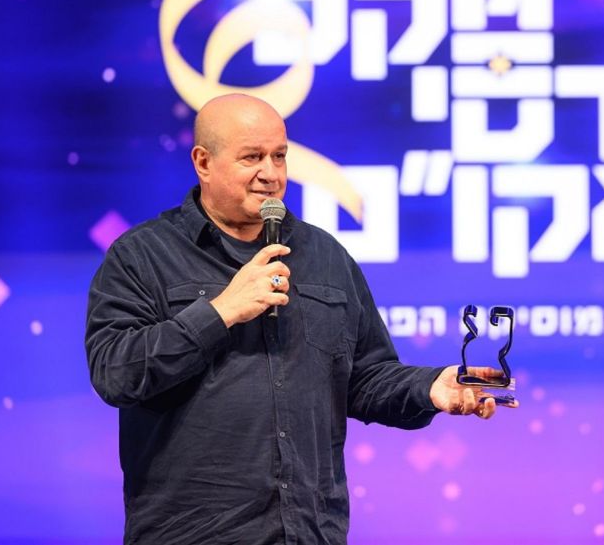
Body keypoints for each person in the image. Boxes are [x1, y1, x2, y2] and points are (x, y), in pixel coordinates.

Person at [86, 93, 515, 544]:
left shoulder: (324, 256)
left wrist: (430, 387)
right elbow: (117, 373)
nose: (270, 174)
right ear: (203, 162)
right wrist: (221, 311)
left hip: (309, 532)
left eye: (279, 156)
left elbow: (365, 378)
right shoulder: (142, 256)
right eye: (252, 157)